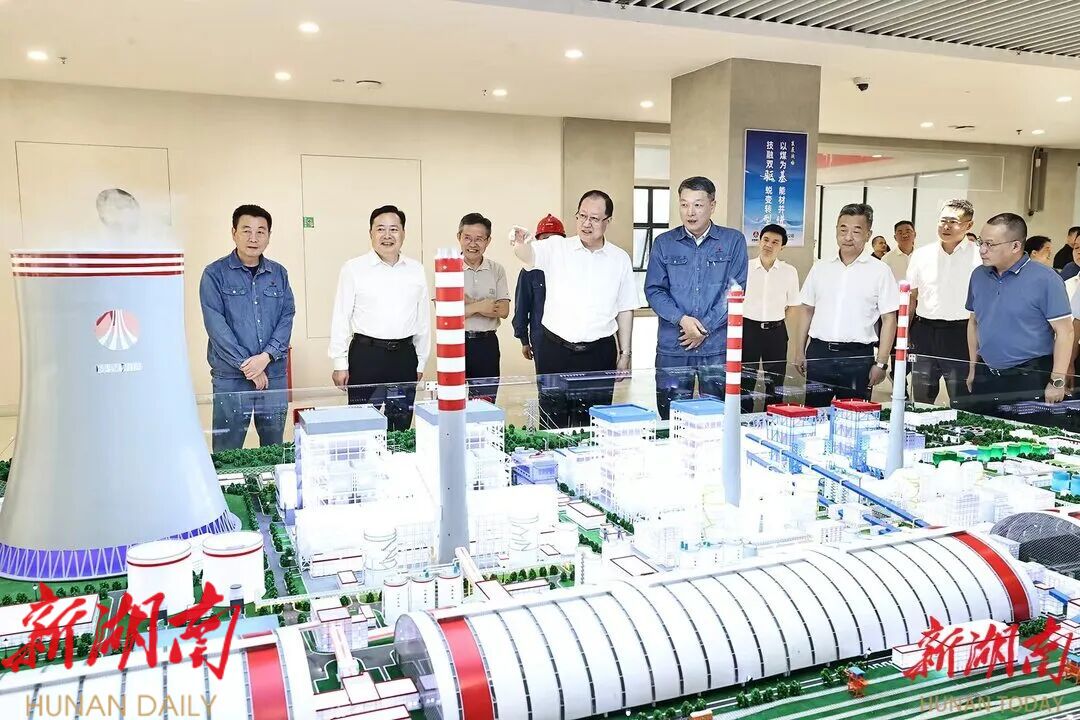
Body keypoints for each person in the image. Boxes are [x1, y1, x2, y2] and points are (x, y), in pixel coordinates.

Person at [511, 190, 637, 428]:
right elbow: (528, 256)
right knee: (552, 422)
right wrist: (520, 243)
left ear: (608, 221)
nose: (586, 223)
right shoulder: (557, 247)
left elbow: (625, 308)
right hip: (555, 351)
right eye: (582, 216)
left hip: (599, 353)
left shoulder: (619, 258)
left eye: (595, 218)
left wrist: (625, 354)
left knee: (593, 424)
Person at [645, 176, 748, 419]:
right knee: (671, 414)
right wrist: (683, 320)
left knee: (717, 415)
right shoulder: (664, 243)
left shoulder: (733, 241)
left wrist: (703, 328)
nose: (690, 212)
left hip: (716, 348)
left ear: (712, 205)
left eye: (698, 205)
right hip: (674, 346)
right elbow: (654, 290)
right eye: (684, 204)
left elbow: (735, 290)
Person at [199, 204, 295, 451]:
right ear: (234, 233)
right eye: (246, 230)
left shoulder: (279, 273)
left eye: (261, 231)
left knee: (273, 448)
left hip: (273, 373)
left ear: (269, 236)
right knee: (228, 449)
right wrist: (248, 366)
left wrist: (265, 358)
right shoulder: (214, 274)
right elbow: (215, 325)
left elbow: (287, 316)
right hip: (231, 376)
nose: (254, 238)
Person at [329, 205, 430, 431]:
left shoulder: (416, 269)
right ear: (371, 233)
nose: (387, 235)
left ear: (403, 233)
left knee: (401, 425)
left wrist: (421, 360)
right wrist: (339, 363)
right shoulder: (353, 268)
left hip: (404, 357)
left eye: (394, 229)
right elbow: (341, 317)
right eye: (380, 229)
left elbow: (422, 320)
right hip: (366, 356)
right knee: (362, 424)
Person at [966, 213, 1072, 420]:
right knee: (981, 431)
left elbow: (1065, 332)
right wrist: (972, 368)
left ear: (1015, 246)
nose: (982, 249)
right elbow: (974, 322)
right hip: (986, 375)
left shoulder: (1046, 279)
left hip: (1029, 377)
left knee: (1024, 435)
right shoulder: (978, 275)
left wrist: (1057, 381)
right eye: (981, 242)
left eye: (990, 244)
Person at [794, 203, 899, 408]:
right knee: (814, 412)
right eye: (843, 230)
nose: (848, 237)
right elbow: (806, 310)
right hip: (819, 354)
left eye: (856, 231)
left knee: (854, 416)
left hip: (857, 358)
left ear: (868, 234)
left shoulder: (880, 271)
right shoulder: (820, 268)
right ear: (836, 230)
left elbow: (889, 319)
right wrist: (799, 350)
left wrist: (881, 363)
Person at [906, 199, 981, 407]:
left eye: (953, 222)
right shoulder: (922, 254)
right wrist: (906, 333)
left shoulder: (979, 256)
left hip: (961, 333)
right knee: (921, 395)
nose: (946, 226)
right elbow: (912, 297)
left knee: (962, 395)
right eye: (943, 220)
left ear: (968, 225)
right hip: (924, 331)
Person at [742, 224, 799, 412]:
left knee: (775, 382)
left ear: (782, 247)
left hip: (776, 332)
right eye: (766, 240)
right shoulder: (745, 267)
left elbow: (793, 305)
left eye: (775, 242)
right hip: (748, 330)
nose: (769, 245)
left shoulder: (789, 271)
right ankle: (744, 418)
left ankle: (772, 417)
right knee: (745, 380)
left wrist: (779, 323)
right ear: (759, 241)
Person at [458, 212, 510, 403]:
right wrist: (482, 305)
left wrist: (466, 305)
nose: (473, 244)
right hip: (455, 343)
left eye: (479, 239)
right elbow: (446, 314)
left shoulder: (497, 269)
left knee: (484, 404)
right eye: (467, 238)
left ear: (488, 241)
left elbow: (503, 311)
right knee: (452, 402)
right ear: (459, 237)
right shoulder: (447, 268)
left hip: (487, 345)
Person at [512, 214, 564, 369]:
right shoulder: (529, 270)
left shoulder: (571, 268)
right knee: (546, 382)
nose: (550, 244)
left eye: (555, 239)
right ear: (537, 242)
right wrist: (524, 341)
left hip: (569, 339)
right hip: (541, 339)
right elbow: (522, 307)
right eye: (545, 239)